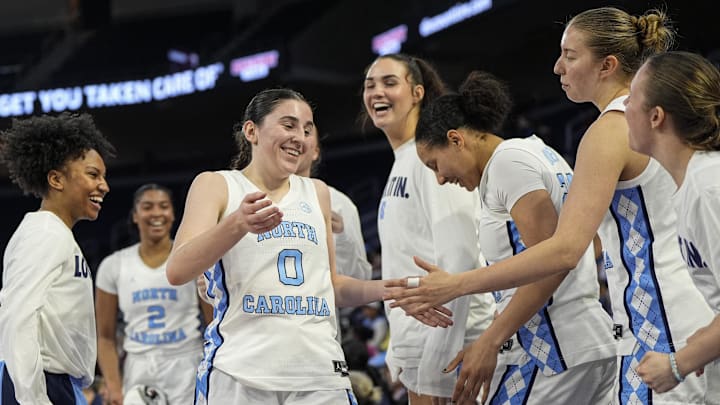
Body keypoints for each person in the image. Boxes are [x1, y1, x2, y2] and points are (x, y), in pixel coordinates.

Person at [385, 7, 716, 404]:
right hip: (680, 317)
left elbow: (565, 250)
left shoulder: (610, 131)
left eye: (570, 55)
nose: (558, 67)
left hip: (658, 323)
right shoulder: (648, 129)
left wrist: (458, 284)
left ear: (606, 65)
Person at [164, 88, 442, 404]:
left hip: (320, 373)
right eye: (289, 125)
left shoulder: (318, 193)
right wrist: (237, 223)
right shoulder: (216, 184)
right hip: (239, 373)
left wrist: (391, 290)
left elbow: (333, 287)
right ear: (251, 131)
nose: (300, 136)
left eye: (307, 129)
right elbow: (177, 270)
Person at [410, 69, 618, 404]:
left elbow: (552, 262)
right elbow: (586, 245)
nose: (440, 178)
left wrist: (488, 335)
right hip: (578, 344)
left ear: (455, 139)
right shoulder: (535, 152)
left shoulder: (508, 163)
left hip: (557, 351)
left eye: (435, 164)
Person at [362, 53, 495, 404]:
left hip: (448, 347)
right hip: (422, 345)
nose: (377, 91)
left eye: (390, 82)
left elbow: (462, 257)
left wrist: (437, 363)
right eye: (369, 84)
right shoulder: (405, 161)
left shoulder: (430, 159)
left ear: (418, 92)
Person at [621, 51, 720, 398]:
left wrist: (677, 363)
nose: (624, 108)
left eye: (630, 98)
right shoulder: (696, 183)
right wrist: (709, 337)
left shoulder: (708, 188)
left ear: (656, 117)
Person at [0, 112, 115, 404]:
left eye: (103, 176)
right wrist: (33, 398)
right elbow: (18, 318)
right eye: (93, 174)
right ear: (56, 179)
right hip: (40, 383)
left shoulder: (58, 234)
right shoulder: (44, 232)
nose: (104, 186)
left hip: (59, 383)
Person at [95, 183, 213, 405]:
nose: (156, 213)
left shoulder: (192, 259)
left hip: (186, 362)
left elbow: (213, 323)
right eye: (147, 207)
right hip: (138, 365)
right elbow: (105, 336)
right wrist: (113, 385)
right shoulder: (113, 265)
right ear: (135, 216)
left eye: (163, 206)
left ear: (173, 214)